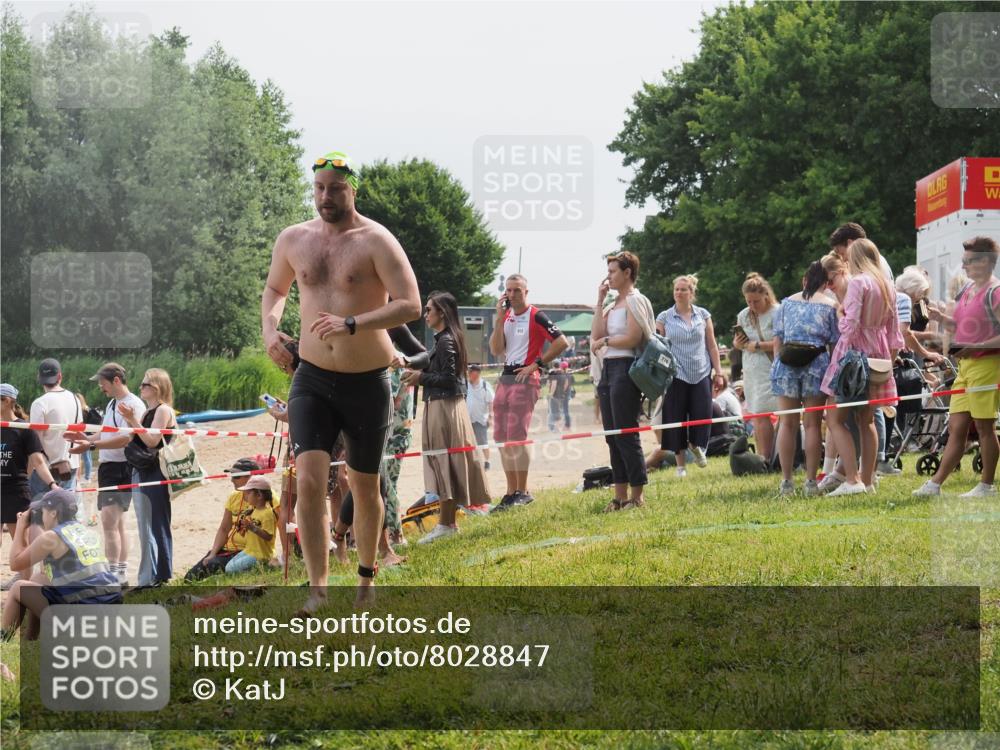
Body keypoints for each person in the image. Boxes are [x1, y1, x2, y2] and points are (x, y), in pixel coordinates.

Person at [261, 150, 421, 609]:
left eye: (335, 187)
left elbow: (410, 303)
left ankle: (366, 581)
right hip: (311, 378)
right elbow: (275, 289)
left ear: (353, 189)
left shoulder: (376, 240)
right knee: (309, 481)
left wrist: (353, 323)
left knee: (365, 486)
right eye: (318, 187)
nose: (325, 196)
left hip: (366, 380)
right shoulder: (294, 239)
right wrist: (270, 330)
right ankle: (319, 588)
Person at [914, 236, 1000, 497]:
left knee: (984, 427)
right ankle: (935, 485)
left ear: (986, 261)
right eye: (963, 261)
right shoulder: (966, 290)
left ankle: (986, 485)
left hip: (986, 364)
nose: (964, 266)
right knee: (956, 427)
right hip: (964, 366)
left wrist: (974, 346)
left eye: (969, 261)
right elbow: (959, 326)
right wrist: (941, 318)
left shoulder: (995, 292)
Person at [403, 291, 491, 540]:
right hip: (442, 406)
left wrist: (421, 377)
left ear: (442, 312)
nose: (425, 314)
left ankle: (446, 525)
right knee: (444, 465)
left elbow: (449, 380)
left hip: (445, 408)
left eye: (429, 309)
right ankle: (447, 524)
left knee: (445, 464)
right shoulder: (445, 339)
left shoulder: (446, 341)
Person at [820, 239, 903, 496]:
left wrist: (840, 314)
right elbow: (895, 330)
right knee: (867, 420)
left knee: (834, 417)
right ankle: (867, 481)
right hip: (878, 354)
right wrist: (890, 357)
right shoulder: (887, 284)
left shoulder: (859, 282)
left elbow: (851, 324)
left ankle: (852, 479)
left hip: (853, 356)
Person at [488, 274, 569, 510]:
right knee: (501, 438)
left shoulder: (536, 315)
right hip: (505, 378)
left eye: (517, 290)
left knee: (516, 437)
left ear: (526, 292)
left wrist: (537, 364)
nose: (512, 295)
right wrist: (498, 319)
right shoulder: (506, 316)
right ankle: (510, 491)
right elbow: (496, 349)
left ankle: (523, 491)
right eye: (509, 290)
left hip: (526, 379)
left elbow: (561, 342)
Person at [2, 489, 120, 641]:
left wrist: (20, 527)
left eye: (42, 511)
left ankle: (2, 641)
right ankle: (30, 639)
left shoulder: (51, 537)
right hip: (108, 609)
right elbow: (46, 573)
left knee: (18, 587)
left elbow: (15, 563)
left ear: (53, 513)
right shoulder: (84, 530)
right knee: (38, 580)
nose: (40, 515)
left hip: (84, 614)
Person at [64, 363, 145, 585]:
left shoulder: (133, 404)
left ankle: (114, 573)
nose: (101, 387)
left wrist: (90, 445)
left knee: (110, 521)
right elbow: (106, 431)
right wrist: (85, 436)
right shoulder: (112, 404)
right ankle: (119, 573)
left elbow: (125, 438)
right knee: (116, 523)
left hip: (124, 466)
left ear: (116, 380)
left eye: (103, 383)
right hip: (109, 466)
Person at [590, 251, 655, 511]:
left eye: (613, 271)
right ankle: (619, 496)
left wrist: (605, 341)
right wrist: (599, 301)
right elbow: (596, 335)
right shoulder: (611, 305)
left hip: (627, 368)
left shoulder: (636, 301)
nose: (609, 277)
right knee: (612, 436)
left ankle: (637, 496)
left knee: (627, 434)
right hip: (608, 369)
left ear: (627, 273)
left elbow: (633, 338)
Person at [770, 261, 840, 496]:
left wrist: (776, 366)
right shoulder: (830, 306)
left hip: (787, 364)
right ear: (826, 284)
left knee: (787, 424)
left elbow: (777, 340)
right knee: (812, 425)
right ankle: (811, 482)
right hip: (816, 365)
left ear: (804, 281)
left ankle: (786, 482)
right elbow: (834, 343)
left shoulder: (785, 304)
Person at [654, 274, 726, 477]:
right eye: (676, 289)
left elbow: (711, 344)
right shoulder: (664, 317)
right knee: (675, 417)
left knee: (702, 414)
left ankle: (697, 446)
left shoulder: (703, 315)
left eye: (683, 289)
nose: (679, 292)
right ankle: (680, 466)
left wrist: (718, 372)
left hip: (701, 370)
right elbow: (657, 345)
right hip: (676, 373)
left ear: (692, 293)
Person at [122, 368, 176, 587]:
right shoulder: (147, 412)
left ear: (156, 387)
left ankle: (158, 577)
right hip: (142, 469)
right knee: (146, 523)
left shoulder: (163, 410)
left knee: (156, 522)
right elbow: (138, 438)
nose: (140, 387)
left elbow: (152, 441)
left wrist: (132, 419)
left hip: (155, 470)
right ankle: (151, 576)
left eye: (145, 384)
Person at [183, 457, 259, 580]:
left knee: (213, 568)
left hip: (246, 552)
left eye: (236, 476)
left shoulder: (267, 498)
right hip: (227, 549)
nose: (232, 480)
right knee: (190, 577)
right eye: (232, 476)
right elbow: (224, 528)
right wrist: (213, 553)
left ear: (251, 477)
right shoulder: (234, 497)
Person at [1, 384, 60, 543]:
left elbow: (38, 462)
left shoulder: (24, 429)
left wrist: (52, 484)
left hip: (16, 491)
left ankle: (27, 568)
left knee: (20, 542)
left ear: (7, 401)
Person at [732, 273, 780, 461]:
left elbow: (782, 342)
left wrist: (759, 346)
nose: (752, 305)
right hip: (753, 369)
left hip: (773, 367)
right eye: (749, 301)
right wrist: (738, 343)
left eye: (756, 301)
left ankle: (778, 455)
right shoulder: (743, 315)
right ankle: (763, 458)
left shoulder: (777, 312)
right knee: (759, 414)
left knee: (782, 413)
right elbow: (738, 343)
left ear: (766, 295)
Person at [28, 358, 80, 495]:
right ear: (60, 376)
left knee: (40, 514)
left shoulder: (39, 403)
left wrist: (27, 474)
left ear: (39, 378)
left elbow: (34, 445)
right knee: (66, 513)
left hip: (45, 470)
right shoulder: (75, 399)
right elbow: (78, 435)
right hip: (71, 466)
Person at [224, 476, 278, 574]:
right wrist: (243, 527)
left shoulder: (267, 513)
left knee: (230, 569)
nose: (246, 496)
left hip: (261, 554)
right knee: (228, 566)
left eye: (248, 493)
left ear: (259, 496)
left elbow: (269, 536)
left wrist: (252, 528)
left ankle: (263, 566)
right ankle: (257, 568)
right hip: (251, 550)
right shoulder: (253, 510)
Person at [465, 364, 495, 469]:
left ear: (476, 373)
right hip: (467, 420)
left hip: (480, 420)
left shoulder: (485, 386)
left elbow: (491, 401)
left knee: (482, 442)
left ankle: (487, 461)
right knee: (468, 442)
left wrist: (491, 417)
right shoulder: (466, 384)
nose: (468, 373)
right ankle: (472, 463)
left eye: (470, 371)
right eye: (468, 371)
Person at [547, 360, 573, 431]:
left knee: (558, 411)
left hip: (561, 395)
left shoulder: (558, 374)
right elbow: (567, 383)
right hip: (564, 395)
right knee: (562, 410)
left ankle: (563, 426)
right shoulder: (567, 374)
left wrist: (552, 394)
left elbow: (555, 385)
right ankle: (565, 426)